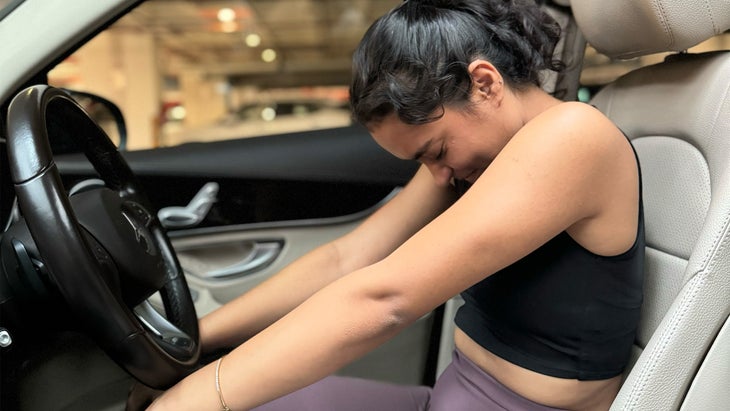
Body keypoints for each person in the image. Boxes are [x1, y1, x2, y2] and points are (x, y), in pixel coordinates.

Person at [142, 0, 644, 410]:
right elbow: (349, 259)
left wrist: (197, 398)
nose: (440, 176)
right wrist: (195, 341)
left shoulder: (573, 136)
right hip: (451, 395)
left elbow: (385, 300)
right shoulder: (482, 155)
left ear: (485, 83)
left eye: (437, 151)